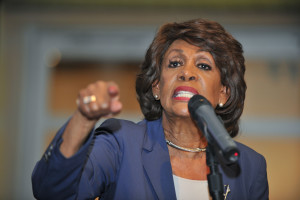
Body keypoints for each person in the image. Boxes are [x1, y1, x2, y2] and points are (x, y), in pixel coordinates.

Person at [32, 18, 269, 200]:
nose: (186, 73)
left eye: (203, 65)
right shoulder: (121, 142)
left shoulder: (249, 165)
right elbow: (53, 192)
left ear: (223, 93)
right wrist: (83, 119)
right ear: (157, 86)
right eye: (175, 63)